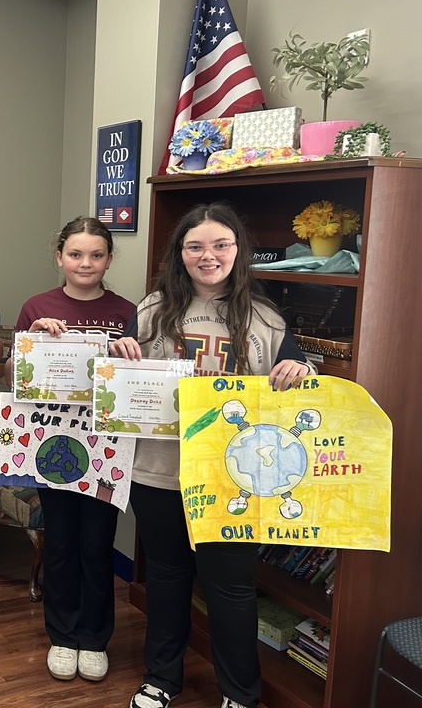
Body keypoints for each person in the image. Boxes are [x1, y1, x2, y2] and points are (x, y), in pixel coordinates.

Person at [107, 202, 315, 708]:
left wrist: (302, 371)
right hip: (159, 472)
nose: (208, 256)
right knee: (167, 577)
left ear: (238, 249)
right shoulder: (151, 310)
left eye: (220, 244)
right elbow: (121, 378)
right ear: (179, 253)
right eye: (195, 246)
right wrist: (117, 356)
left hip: (236, 479)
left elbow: (297, 378)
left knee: (231, 587)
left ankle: (240, 694)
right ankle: (161, 680)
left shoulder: (265, 317)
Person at [14, 217, 135, 683]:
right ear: (59, 257)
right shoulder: (36, 306)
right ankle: (63, 635)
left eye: (96, 255)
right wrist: (31, 343)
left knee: (98, 543)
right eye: (76, 254)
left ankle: (95, 637)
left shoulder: (128, 312)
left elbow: (138, 383)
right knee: (62, 542)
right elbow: (12, 380)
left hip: (107, 449)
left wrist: (131, 355)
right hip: (53, 446)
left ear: (109, 259)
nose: (86, 263)